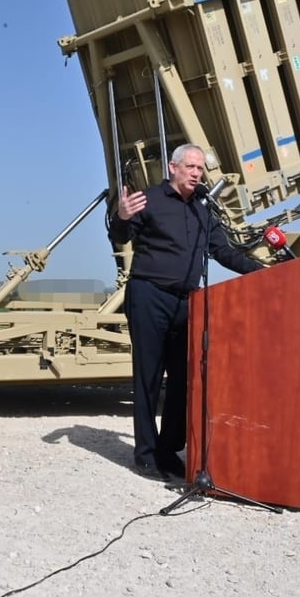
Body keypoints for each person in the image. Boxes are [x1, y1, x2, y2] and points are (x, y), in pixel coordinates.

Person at [108, 143, 264, 481]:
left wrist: (262, 271)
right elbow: (119, 235)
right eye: (191, 166)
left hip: (187, 302)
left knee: (182, 380)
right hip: (149, 295)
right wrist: (121, 216)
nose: (197, 173)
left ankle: (169, 452)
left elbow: (223, 251)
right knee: (148, 377)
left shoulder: (203, 210)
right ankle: (146, 455)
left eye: (200, 169)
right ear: (173, 167)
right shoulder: (148, 200)